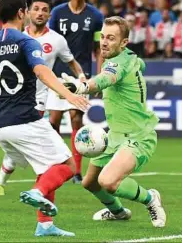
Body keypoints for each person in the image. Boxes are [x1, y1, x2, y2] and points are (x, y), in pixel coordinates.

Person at [0, 0, 88, 237]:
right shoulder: (26, 41)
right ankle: (37, 193)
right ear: (22, 12)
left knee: (46, 170)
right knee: (67, 165)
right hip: (26, 120)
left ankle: (45, 225)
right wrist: (69, 94)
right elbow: (42, 71)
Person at [61, 16, 166, 227]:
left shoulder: (118, 64)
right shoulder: (128, 59)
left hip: (138, 136)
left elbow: (105, 78)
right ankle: (118, 212)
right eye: (103, 37)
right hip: (115, 136)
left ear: (124, 42)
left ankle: (150, 198)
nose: (104, 42)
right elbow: (137, 66)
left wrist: (81, 87)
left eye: (111, 38)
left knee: (107, 182)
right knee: (89, 183)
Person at [47, 0, 104, 183]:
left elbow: (99, 50)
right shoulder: (57, 13)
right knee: (53, 121)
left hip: (81, 75)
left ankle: (76, 171)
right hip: (56, 74)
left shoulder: (96, 16)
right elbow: (48, 42)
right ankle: (57, 162)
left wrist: (98, 79)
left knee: (76, 119)